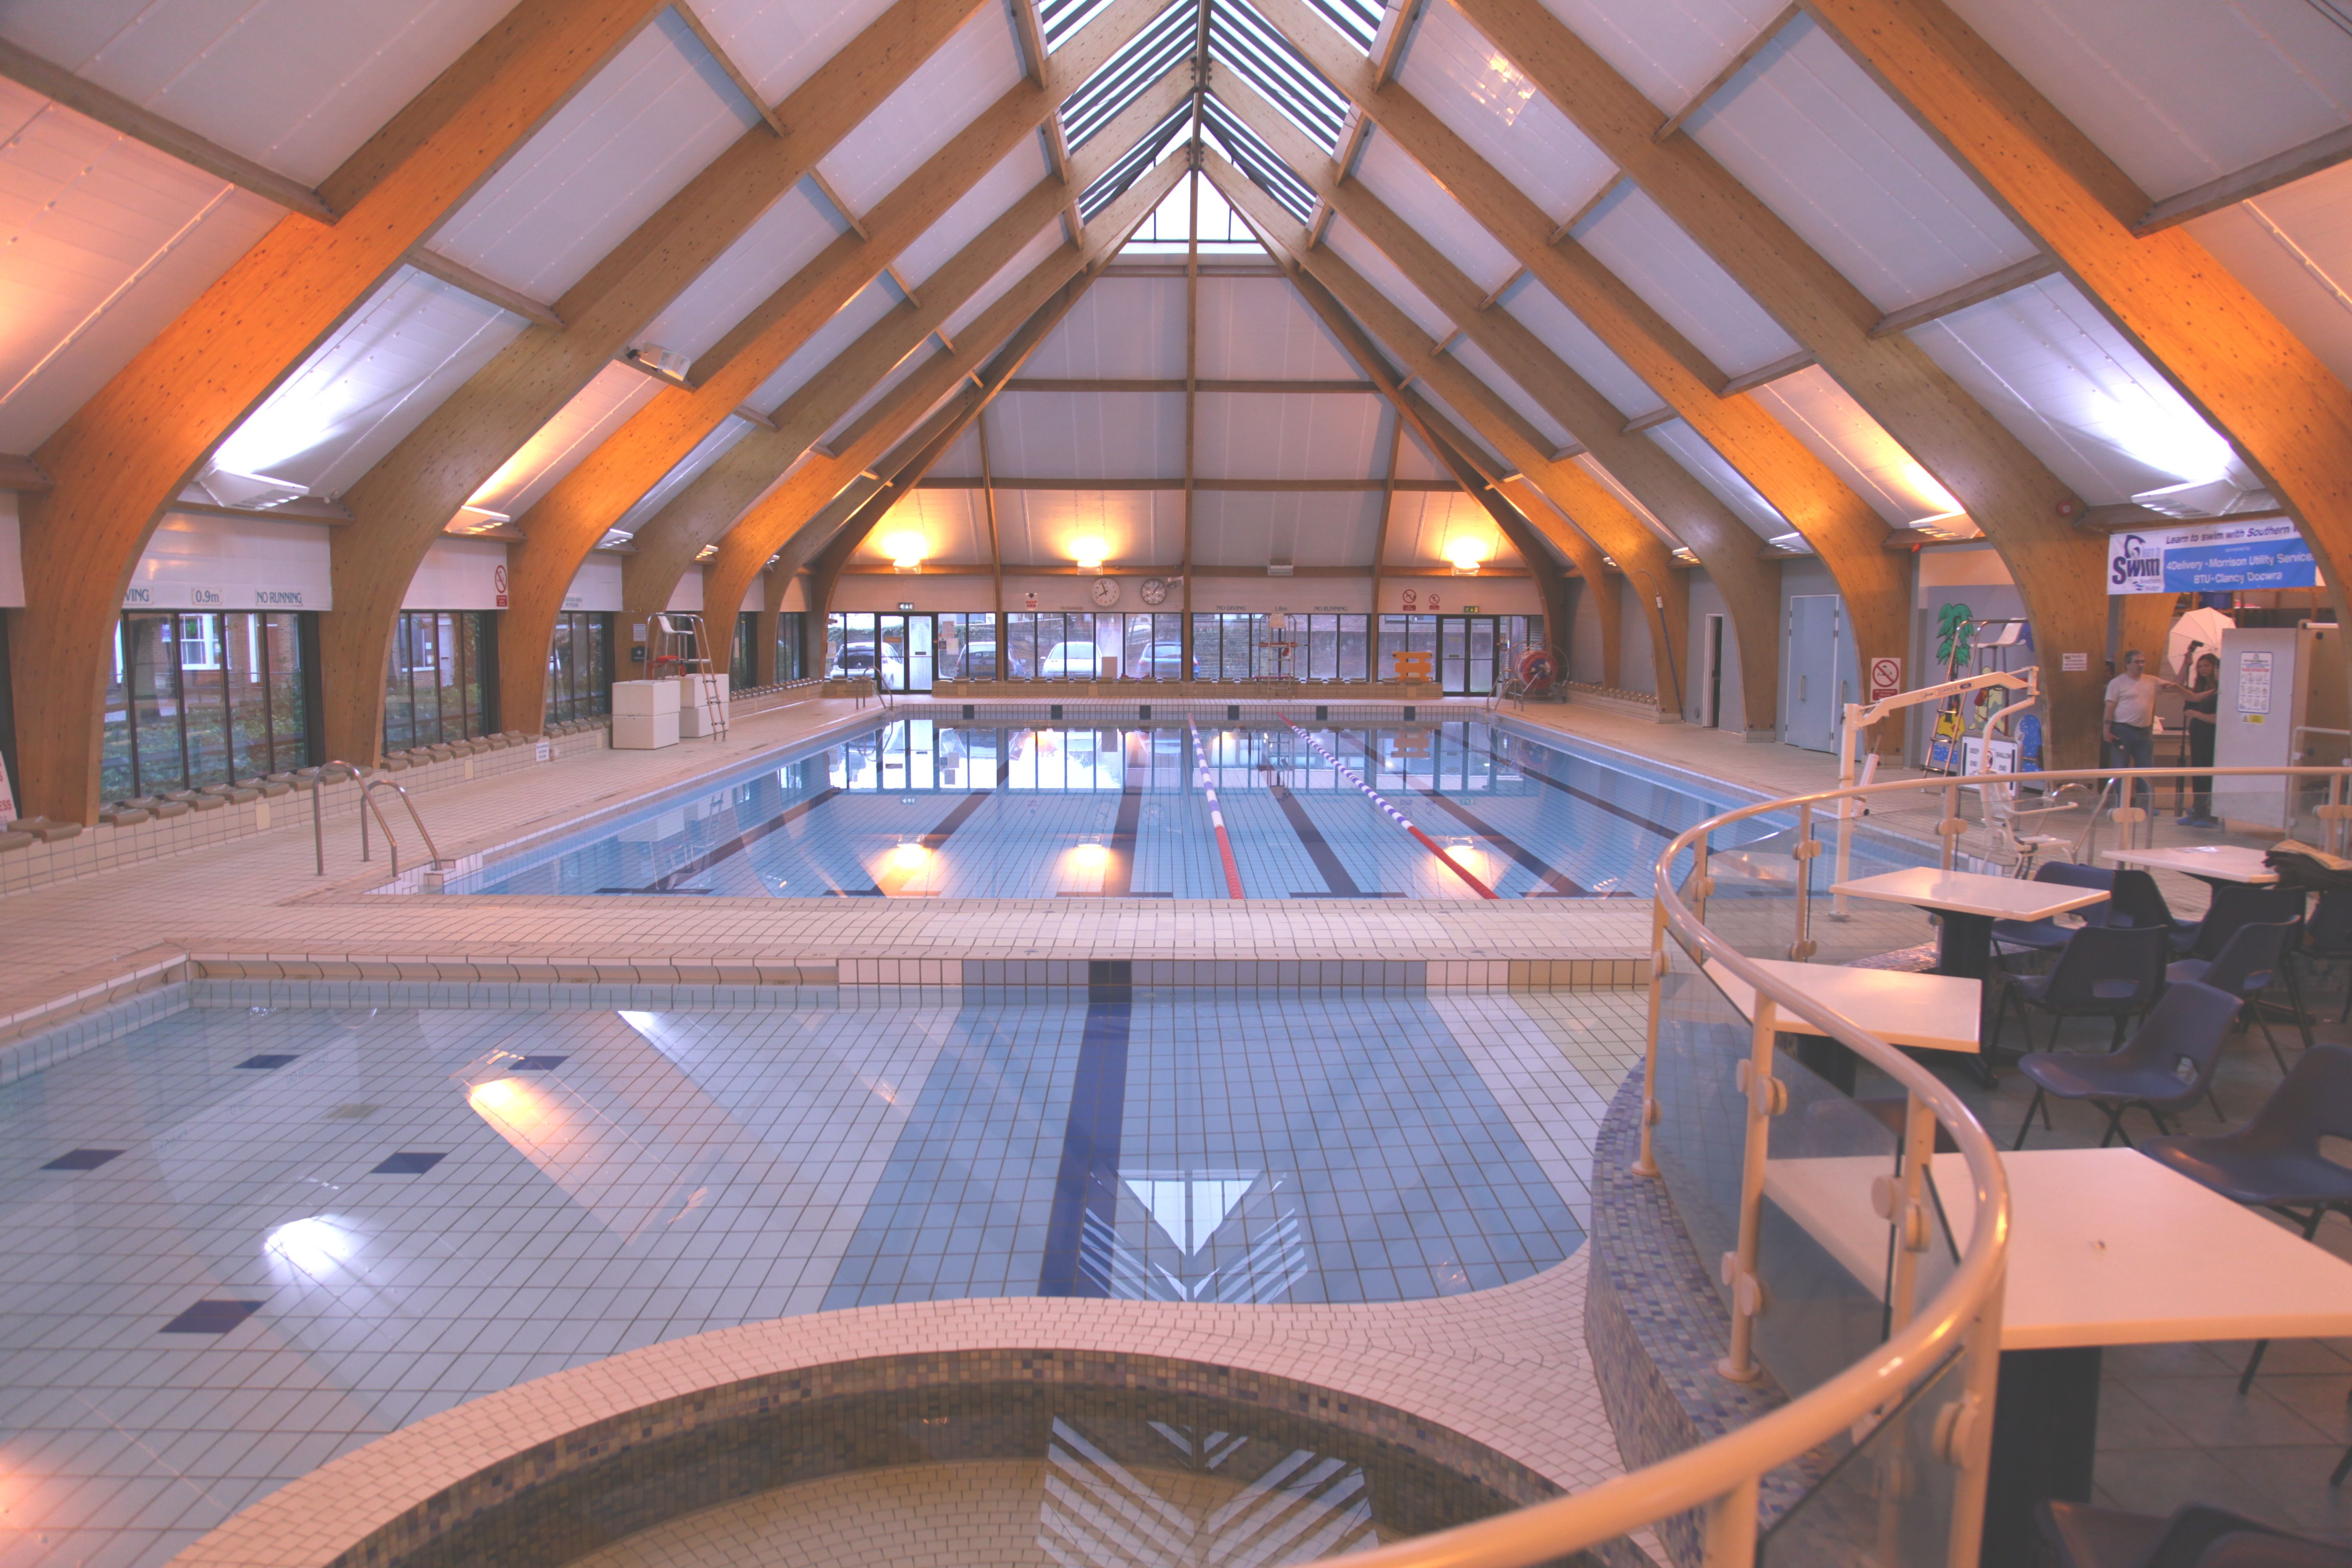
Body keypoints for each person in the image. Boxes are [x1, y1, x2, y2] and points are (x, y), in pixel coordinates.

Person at [2102, 649, 2182, 812]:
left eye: (2143, 662)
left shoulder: (2151, 681)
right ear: (2127, 664)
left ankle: (2146, 806)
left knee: (2146, 770)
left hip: (2144, 732)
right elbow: (2110, 707)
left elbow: (2175, 686)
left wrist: (2186, 665)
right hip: (2122, 730)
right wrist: (2107, 730)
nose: (2141, 665)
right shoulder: (2117, 683)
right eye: (2137, 662)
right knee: (2121, 769)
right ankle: (2122, 805)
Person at [2178, 651, 2220, 827]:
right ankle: (2199, 809)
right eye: (2201, 666)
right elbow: (2184, 691)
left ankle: (2212, 812)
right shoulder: (2201, 689)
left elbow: (2217, 717)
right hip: (2197, 737)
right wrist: (2186, 665)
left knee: (2207, 773)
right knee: (2197, 773)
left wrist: (2197, 714)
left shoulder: (2219, 691)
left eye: (2207, 666)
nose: (2203, 669)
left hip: (2210, 737)